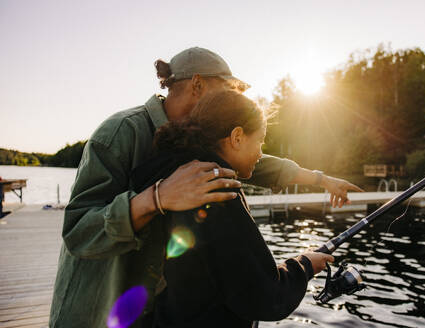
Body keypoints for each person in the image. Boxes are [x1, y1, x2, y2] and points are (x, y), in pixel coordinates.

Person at [49, 47, 362, 328]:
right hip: (96, 313)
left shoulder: (202, 146)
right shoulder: (121, 132)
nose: (234, 100)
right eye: (228, 90)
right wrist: (157, 197)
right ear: (198, 85)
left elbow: (256, 161)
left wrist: (322, 180)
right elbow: (78, 230)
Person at [131, 90, 334, 327]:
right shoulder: (218, 190)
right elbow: (265, 296)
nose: (260, 153)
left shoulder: (170, 173)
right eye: (259, 140)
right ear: (237, 137)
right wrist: (306, 265)